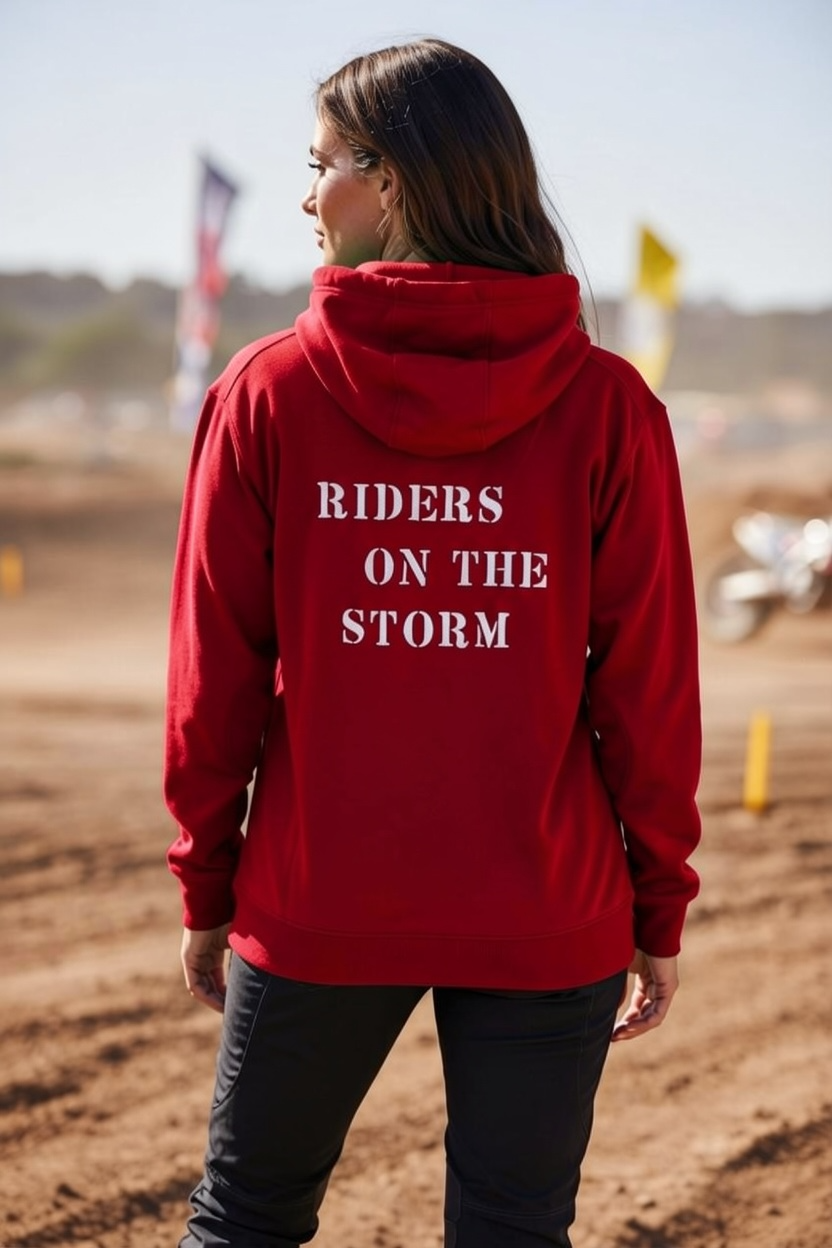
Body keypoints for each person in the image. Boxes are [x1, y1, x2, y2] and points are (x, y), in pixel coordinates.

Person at [164, 37, 701, 1248]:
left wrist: (208, 879)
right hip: (547, 907)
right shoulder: (610, 407)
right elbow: (651, 692)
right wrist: (657, 902)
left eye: (320, 166)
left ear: (390, 178)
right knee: (515, 1230)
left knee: (245, 1220)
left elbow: (213, 680)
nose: (307, 197)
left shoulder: (265, 393)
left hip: (319, 899)